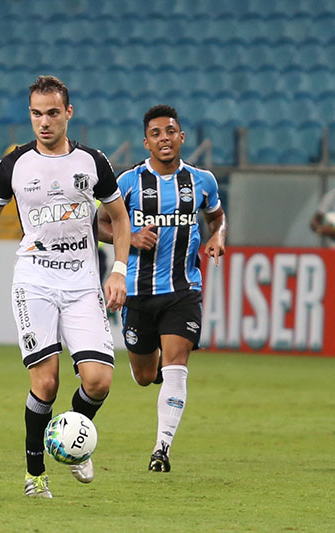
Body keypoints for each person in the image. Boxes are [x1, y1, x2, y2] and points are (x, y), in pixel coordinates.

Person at [0, 75, 131, 498]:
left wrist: (119, 269)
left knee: (98, 381)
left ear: (69, 113)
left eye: (53, 113)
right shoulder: (15, 164)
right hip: (35, 280)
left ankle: (73, 432)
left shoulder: (93, 162)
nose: (44, 122)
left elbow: (119, 217)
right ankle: (34, 473)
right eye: (36, 114)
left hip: (82, 283)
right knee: (46, 384)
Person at [99, 104, 226, 473]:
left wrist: (218, 237)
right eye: (156, 134)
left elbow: (217, 216)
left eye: (170, 131)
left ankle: (161, 448)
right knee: (143, 376)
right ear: (146, 142)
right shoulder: (128, 182)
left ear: (181, 137)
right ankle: (157, 372)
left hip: (183, 290)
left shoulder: (202, 181)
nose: (164, 139)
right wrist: (131, 237)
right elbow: (101, 225)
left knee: (175, 364)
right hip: (138, 292)